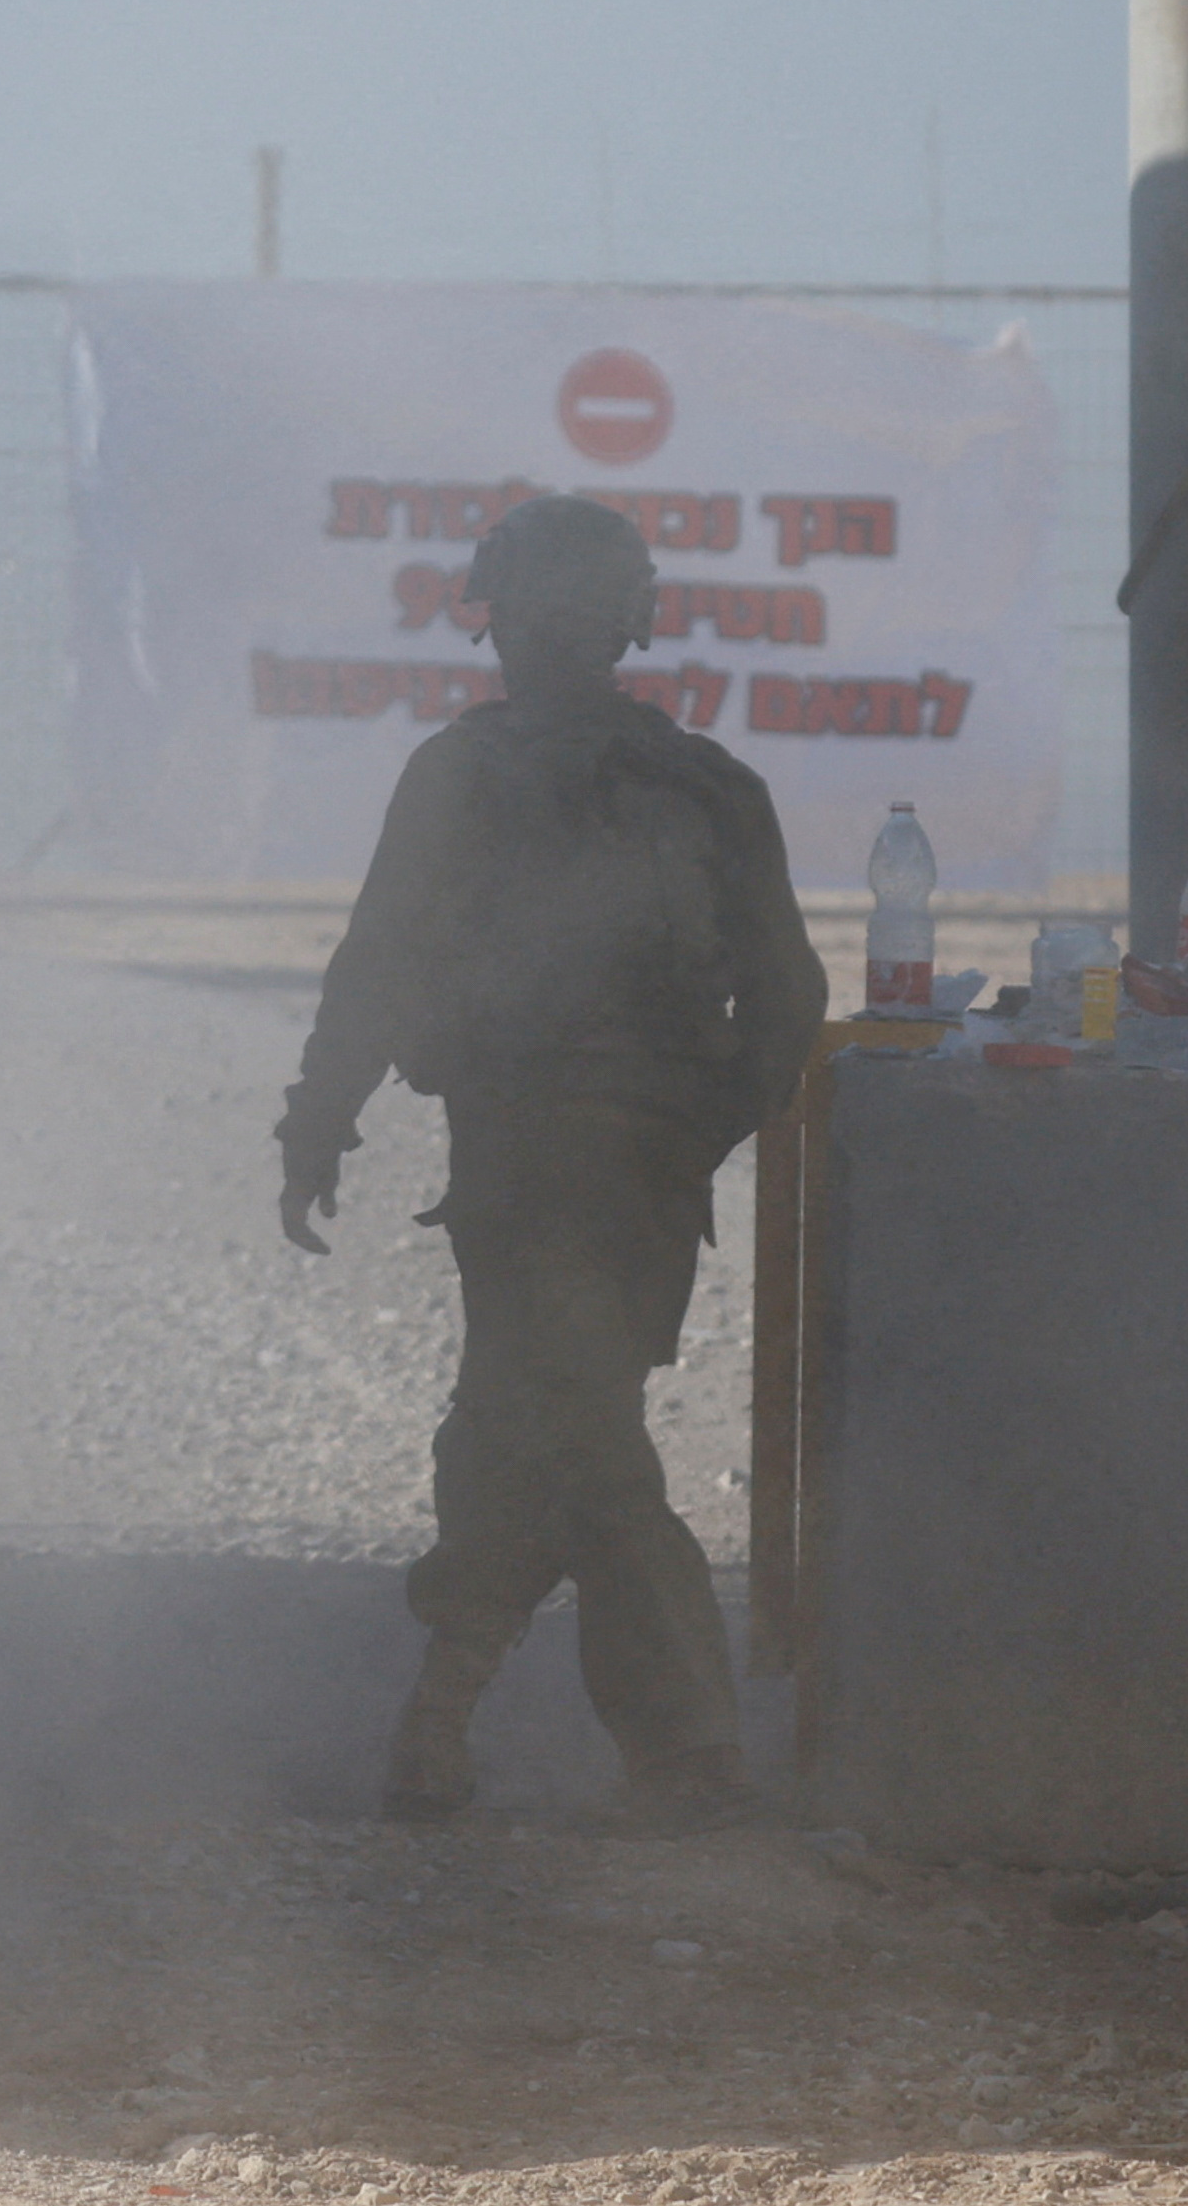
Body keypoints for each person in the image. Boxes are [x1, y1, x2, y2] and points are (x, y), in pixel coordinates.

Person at [274, 489, 824, 1828]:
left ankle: (539, 1732)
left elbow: (378, 961)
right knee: (558, 1426)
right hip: (636, 1181)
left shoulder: (462, 773)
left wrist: (320, 1116)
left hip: (522, 1165)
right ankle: (611, 1745)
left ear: (504, 622)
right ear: (632, 620)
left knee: (554, 1433)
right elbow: (791, 1006)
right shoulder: (713, 788)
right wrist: (699, 1129)